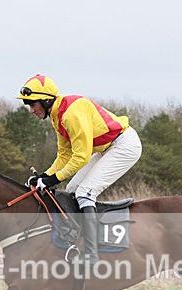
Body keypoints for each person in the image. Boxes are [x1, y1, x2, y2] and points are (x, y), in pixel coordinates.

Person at [17, 74, 142, 264]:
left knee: (85, 193)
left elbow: (81, 157)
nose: (31, 110)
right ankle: (78, 242)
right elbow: (65, 155)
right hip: (105, 148)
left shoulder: (71, 114)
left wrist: (53, 180)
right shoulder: (57, 116)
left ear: (46, 99)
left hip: (124, 146)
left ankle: (92, 255)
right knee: (72, 191)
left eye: (32, 104)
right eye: (28, 105)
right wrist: (45, 175)